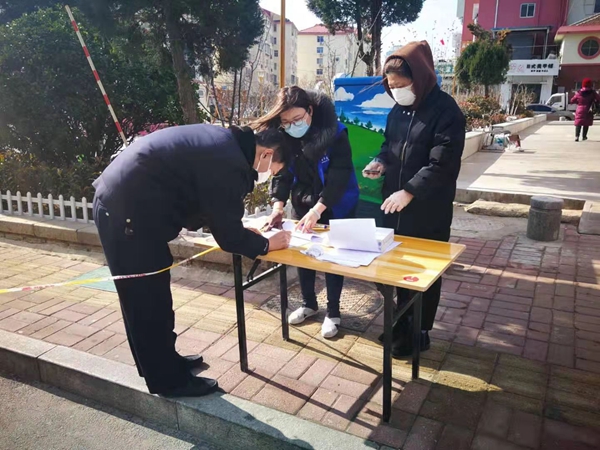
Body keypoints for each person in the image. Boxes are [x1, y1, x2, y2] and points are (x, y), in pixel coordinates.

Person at [93, 125, 291, 397]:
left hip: (132, 209)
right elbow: (228, 237)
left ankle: (165, 362)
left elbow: (212, 207)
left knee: (156, 296)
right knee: (145, 301)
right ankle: (168, 381)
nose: (268, 176)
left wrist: (238, 231)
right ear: (266, 154)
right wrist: (267, 245)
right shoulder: (228, 161)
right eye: (274, 170)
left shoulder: (226, 144)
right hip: (125, 215)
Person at [363, 41, 466, 358]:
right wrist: (380, 162)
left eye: (401, 85)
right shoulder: (397, 111)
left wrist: (409, 191)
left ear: (419, 78)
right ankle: (402, 321)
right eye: (391, 86)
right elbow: (389, 145)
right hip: (392, 205)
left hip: (427, 209)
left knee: (422, 271)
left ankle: (419, 331)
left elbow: (443, 164)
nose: (396, 92)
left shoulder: (446, 112)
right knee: (392, 268)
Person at [254, 86, 359, 339]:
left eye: (297, 119)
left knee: (333, 257)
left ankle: (333, 312)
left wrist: (318, 209)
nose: (292, 126)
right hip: (303, 200)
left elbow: (339, 175)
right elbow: (282, 173)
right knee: (303, 251)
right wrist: (278, 206)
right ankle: (309, 303)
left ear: (310, 111)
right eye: (286, 122)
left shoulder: (335, 133)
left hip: (335, 202)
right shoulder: (285, 137)